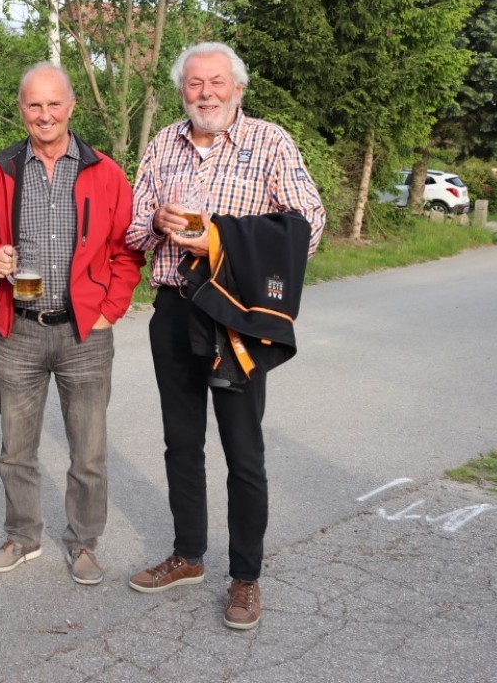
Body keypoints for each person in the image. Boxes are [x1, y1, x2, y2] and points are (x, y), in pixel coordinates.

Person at [126, 42, 325, 630]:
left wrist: (220, 238)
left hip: (236, 314)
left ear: (238, 88)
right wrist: (156, 222)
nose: (205, 93)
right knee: (180, 442)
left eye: (216, 82)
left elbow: (309, 226)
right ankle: (188, 554)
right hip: (174, 308)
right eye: (194, 83)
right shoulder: (163, 144)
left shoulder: (270, 142)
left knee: (243, 449)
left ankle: (245, 577)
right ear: (181, 90)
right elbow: (132, 232)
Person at [0, 62, 143, 586]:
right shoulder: (3, 170)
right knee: (16, 449)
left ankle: (83, 542)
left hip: (85, 333)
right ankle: (22, 536)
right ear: (22, 109)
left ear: (71, 107)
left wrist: (110, 309)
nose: (45, 114)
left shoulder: (105, 172)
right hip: (19, 328)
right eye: (34, 105)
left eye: (54, 104)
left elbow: (128, 249)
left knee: (88, 452)